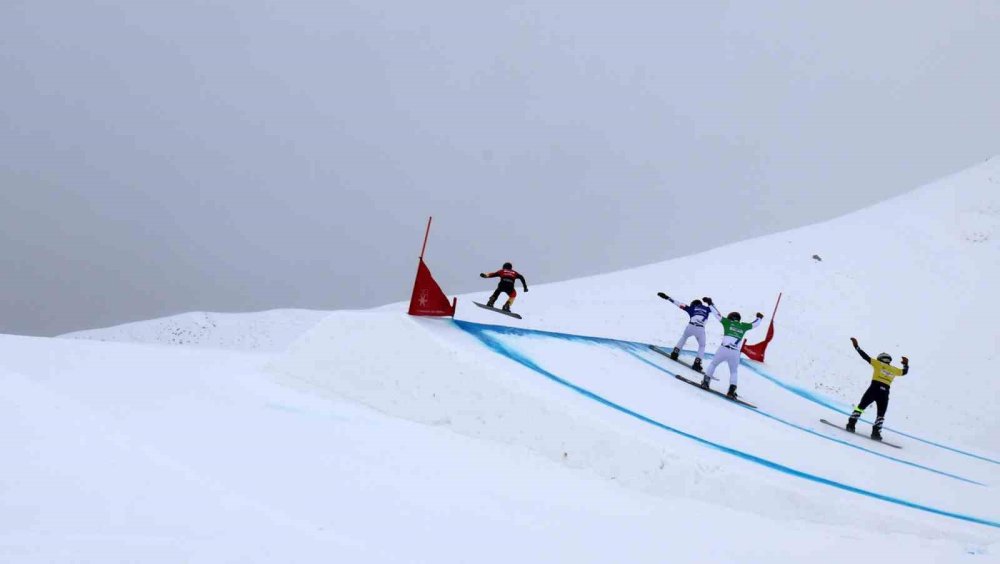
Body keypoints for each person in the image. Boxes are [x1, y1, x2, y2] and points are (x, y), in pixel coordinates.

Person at [846, 337, 909, 441]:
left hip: (874, 389)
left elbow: (865, 357)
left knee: (861, 407)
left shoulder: (878, 364)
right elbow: (904, 372)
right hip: (885, 393)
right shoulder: (894, 370)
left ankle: (851, 424)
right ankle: (876, 433)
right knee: (881, 414)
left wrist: (856, 347)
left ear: (880, 358)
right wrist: (906, 364)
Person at [702, 304, 764, 399]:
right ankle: (731, 391)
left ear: (730, 317)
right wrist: (759, 317)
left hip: (723, 349)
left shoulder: (727, 322)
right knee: (734, 372)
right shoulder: (743, 326)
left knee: (713, 364)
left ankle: (705, 382)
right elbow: (755, 324)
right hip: (735, 352)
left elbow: (717, 314)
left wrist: (710, 304)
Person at [656, 293, 713, 372]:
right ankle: (697, 362)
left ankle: (675, 352)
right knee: (702, 346)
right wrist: (710, 303)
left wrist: (667, 297)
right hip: (701, 329)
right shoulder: (707, 309)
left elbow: (678, 304)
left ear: (693, 304)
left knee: (684, 337)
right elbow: (714, 310)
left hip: (691, 326)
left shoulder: (691, 308)